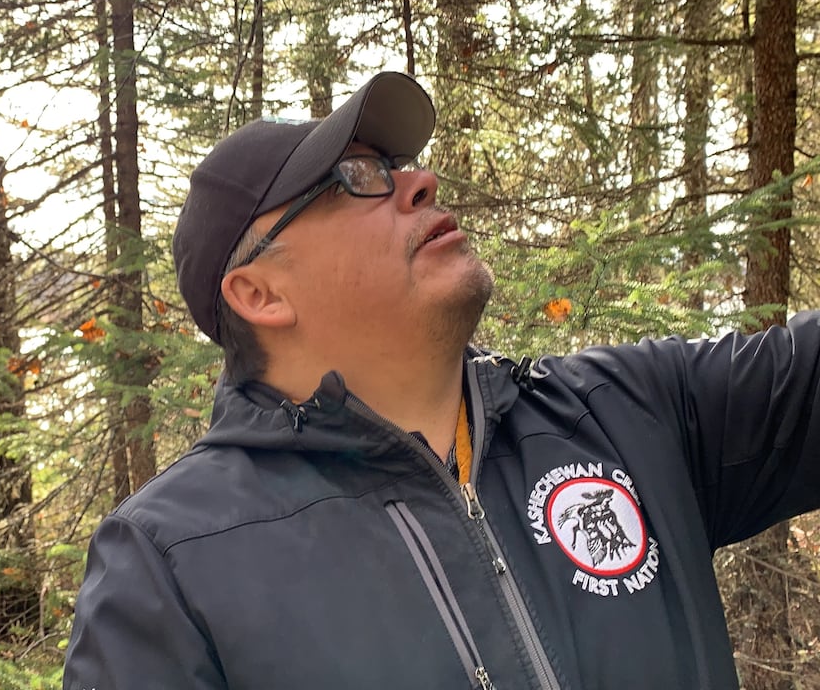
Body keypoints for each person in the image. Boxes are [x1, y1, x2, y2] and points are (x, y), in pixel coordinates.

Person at [61, 71, 820, 689]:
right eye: (353, 177)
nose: (418, 182)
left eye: (396, 165)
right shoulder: (169, 563)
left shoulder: (631, 413)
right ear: (260, 294)